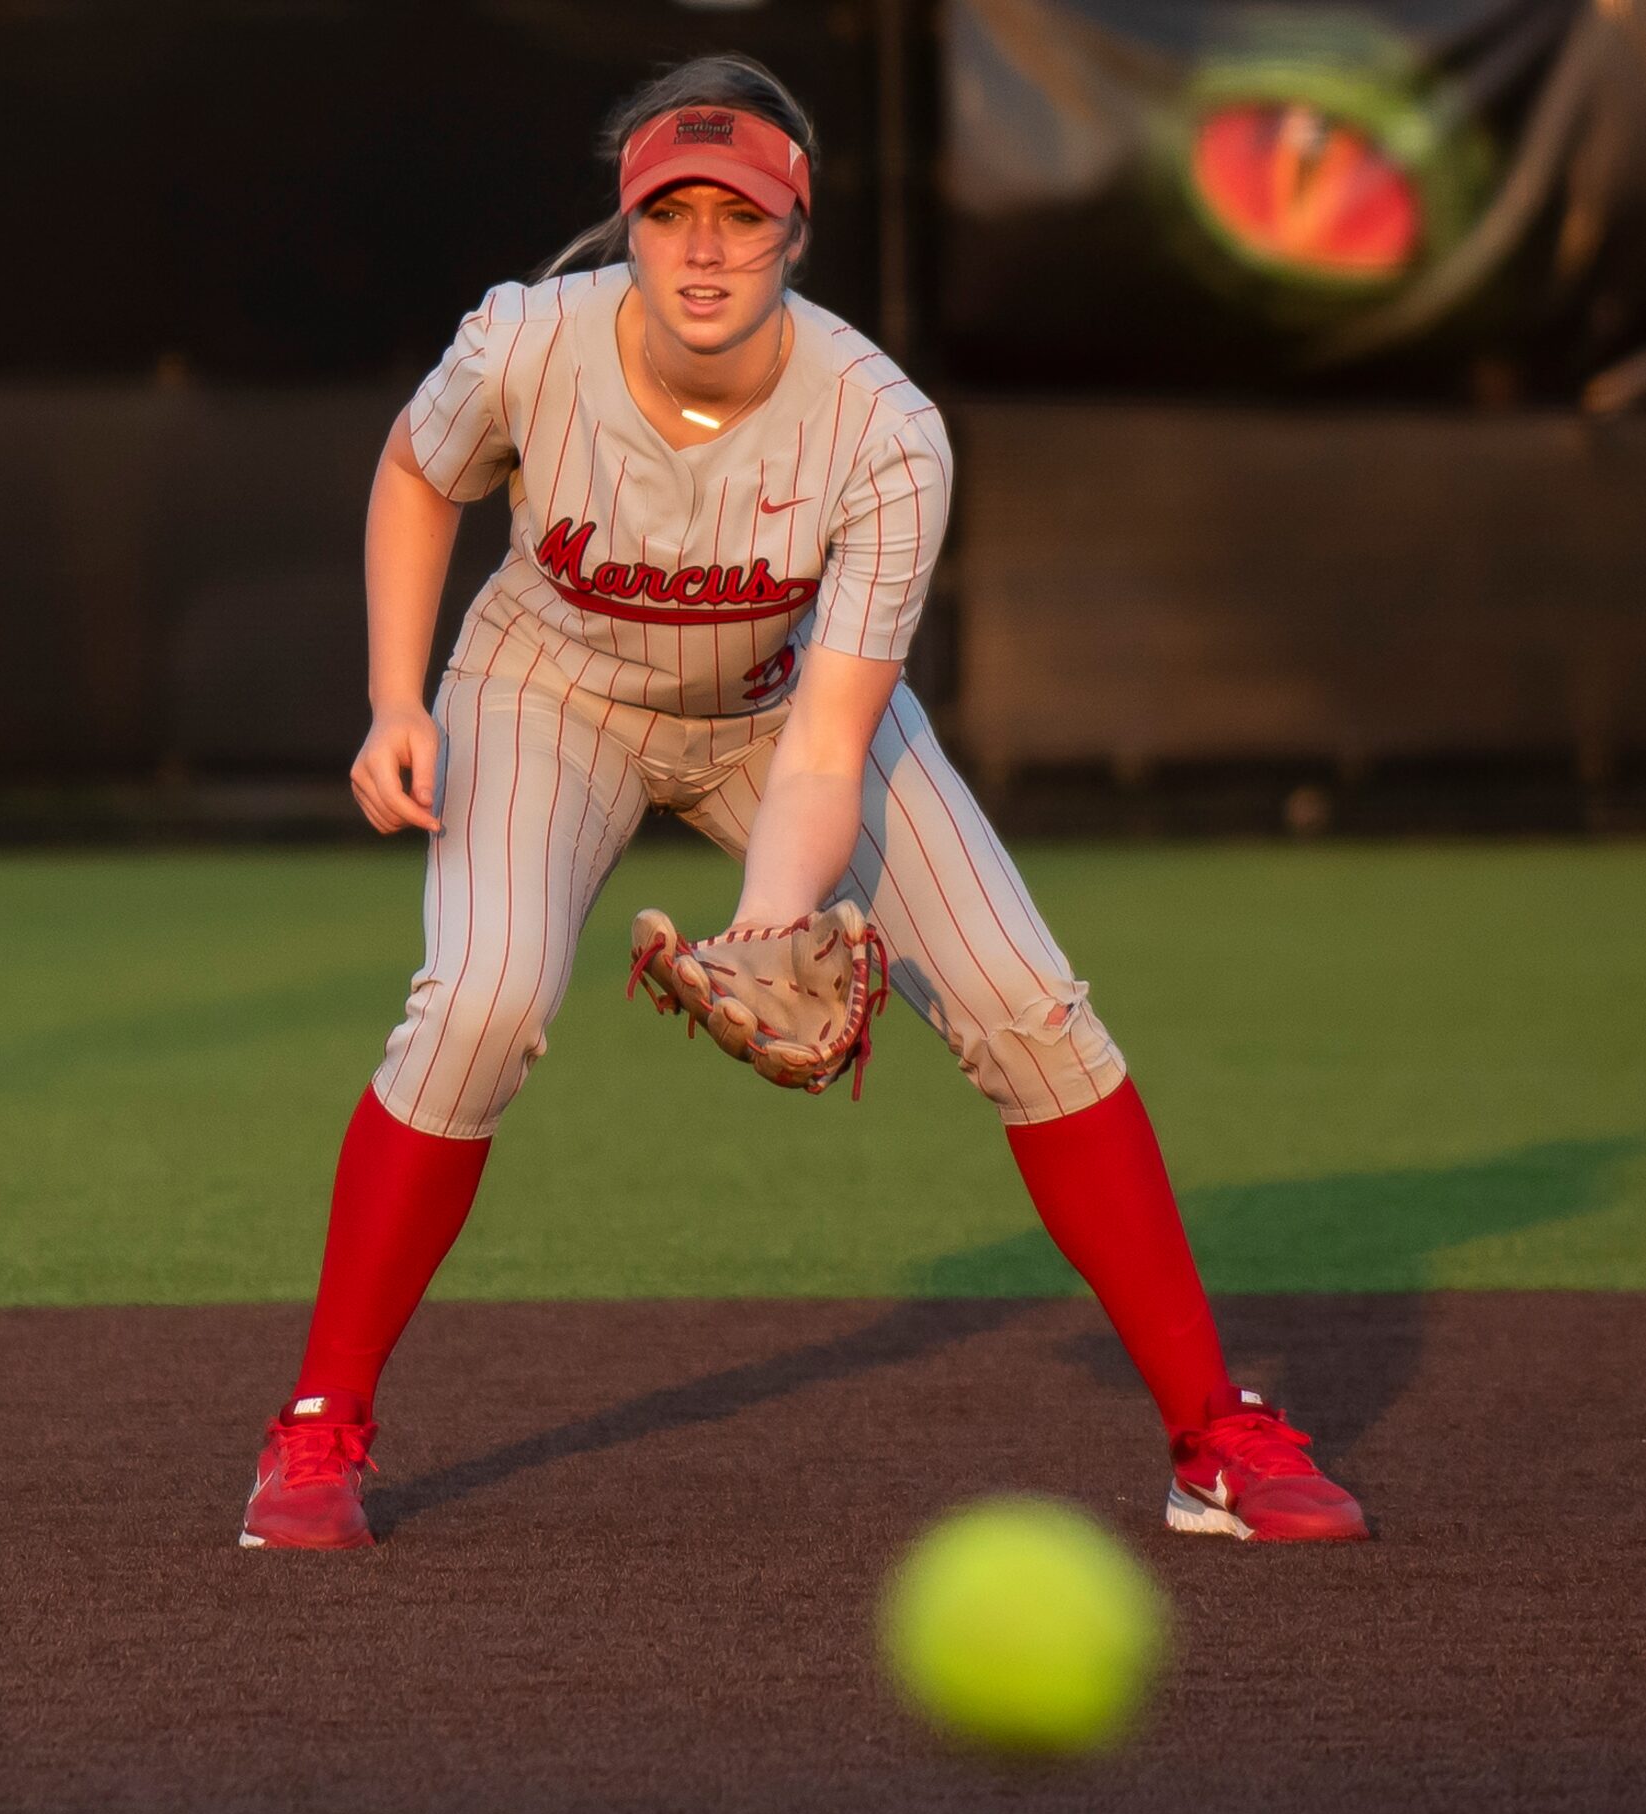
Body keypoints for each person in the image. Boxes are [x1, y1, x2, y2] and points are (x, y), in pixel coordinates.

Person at [239, 54, 1368, 1551]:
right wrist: (394, 696)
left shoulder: (881, 429)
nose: (704, 248)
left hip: (782, 711)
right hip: (547, 689)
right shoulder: (524, 342)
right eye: (671, 212)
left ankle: (1211, 1437)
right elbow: (415, 466)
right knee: (480, 1003)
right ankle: (317, 1433)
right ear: (626, 223)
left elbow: (832, 742)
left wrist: (770, 921)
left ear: (797, 225)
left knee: (1029, 1003)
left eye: (740, 214)